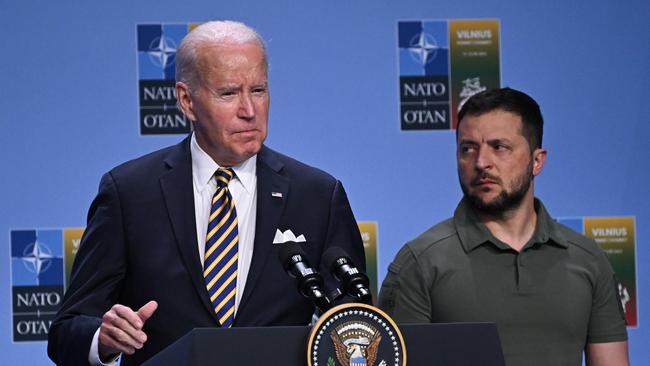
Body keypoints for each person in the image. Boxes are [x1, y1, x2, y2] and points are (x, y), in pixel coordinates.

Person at [47, 21, 365, 366]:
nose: (249, 110)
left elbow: (358, 328)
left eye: (258, 90)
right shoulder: (130, 193)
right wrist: (104, 340)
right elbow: (66, 332)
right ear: (186, 101)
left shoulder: (317, 195)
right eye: (229, 93)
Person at [377, 88, 628, 366]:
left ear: (537, 161)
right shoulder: (420, 262)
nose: (482, 162)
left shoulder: (590, 260)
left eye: (499, 147)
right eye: (468, 149)